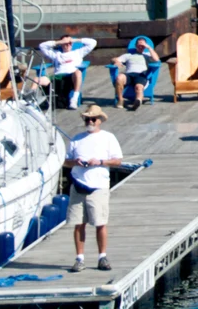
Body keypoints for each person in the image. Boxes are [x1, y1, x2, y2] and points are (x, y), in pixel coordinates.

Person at [65, 104, 121, 272]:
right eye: (87, 119)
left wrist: (100, 162)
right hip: (78, 185)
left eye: (93, 119)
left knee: (100, 223)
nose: (90, 121)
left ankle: (102, 257)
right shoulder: (76, 139)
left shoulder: (108, 138)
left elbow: (117, 160)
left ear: (99, 121)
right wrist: (76, 162)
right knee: (78, 223)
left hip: (98, 186)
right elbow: (66, 161)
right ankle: (79, 258)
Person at [39, 33, 96, 109]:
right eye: (65, 43)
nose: (68, 45)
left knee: (78, 72)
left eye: (70, 43)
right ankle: (30, 101)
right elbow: (42, 46)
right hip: (58, 77)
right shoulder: (56, 54)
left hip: (71, 77)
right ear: (61, 44)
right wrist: (59, 42)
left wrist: (74, 40)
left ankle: (74, 99)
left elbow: (93, 42)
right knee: (38, 79)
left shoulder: (78, 53)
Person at [112, 38, 158, 110]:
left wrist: (148, 47)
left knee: (139, 87)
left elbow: (156, 59)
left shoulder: (147, 55)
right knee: (119, 77)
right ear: (135, 45)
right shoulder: (128, 55)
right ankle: (121, 100)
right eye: (139, 45)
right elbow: (115, 59)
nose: (140, 46)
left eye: (142, 45)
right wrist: (116, 61)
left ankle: (138, 101)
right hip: (129, 75)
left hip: (141, 75)